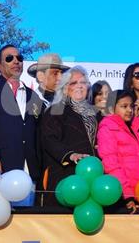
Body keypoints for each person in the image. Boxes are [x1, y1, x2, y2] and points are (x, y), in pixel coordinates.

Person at [0, 45, 43, 201]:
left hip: (28, 171)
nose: (16, 61)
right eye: (9, 58)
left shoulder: (33, 96)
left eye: (19, 58)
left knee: (28, 222)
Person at [39, 67, 100, 206]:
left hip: (93, 176)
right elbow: (49, 140)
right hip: (66, 176)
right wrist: (70, 155)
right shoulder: (56, 111)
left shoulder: (95, 114)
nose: (79, 86)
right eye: (73, 83)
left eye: (83, 82)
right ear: (65, 88)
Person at [97, 90, 139, 213]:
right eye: (124, 106)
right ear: (111, 109)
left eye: (131, 106)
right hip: (122, 197)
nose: (129, 110)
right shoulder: (107, 128)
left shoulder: (133, 129)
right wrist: (127, 195)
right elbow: (111, 164)